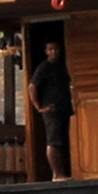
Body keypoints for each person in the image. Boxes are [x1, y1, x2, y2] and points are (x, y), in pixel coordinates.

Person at [30, 37, 73, 179]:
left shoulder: (61, 66)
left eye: (56, 49)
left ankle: (62, 173)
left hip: (63, 109)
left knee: (61, 142)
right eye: (50, 49)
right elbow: (32, 86)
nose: (53, 52)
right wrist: (39, 107)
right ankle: (56, 174)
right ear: (46, 52)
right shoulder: (44, 67)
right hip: (52, 110)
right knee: (53, 142)